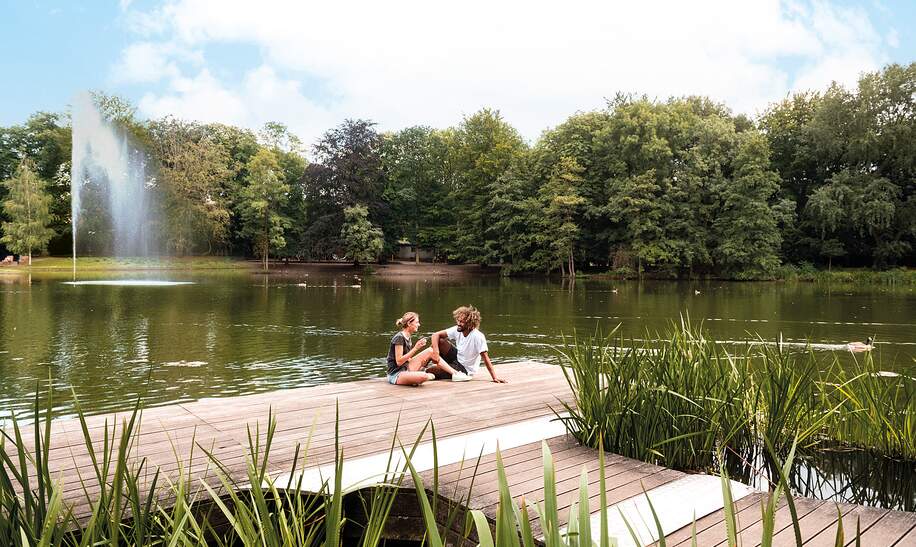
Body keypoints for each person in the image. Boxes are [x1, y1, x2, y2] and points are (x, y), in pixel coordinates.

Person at [429, 305, 507, 383]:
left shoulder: (477, 336)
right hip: (457, 358)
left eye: (462, 322)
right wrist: (436, 352)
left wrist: (494, 377)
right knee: (439, 342)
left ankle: (426, 371)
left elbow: (485, 358)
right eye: (458, 320)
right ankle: (420, 367)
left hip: (464, 369)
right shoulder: (458, 329)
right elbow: (435, 335)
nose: (458, 323)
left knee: (431, 370)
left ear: (470, 323)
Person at [387, 312, 469, 385]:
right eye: (417, 322)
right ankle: (415, 377)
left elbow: (407, 359)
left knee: (430, 351)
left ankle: (455, 373)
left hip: (406, 368)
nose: (419, 325)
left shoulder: (408, 337)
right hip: (396, 374)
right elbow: (399, 362)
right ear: (409, 323)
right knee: (424, 376)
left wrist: (423, 361)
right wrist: (416, 348)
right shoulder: (399, 338)